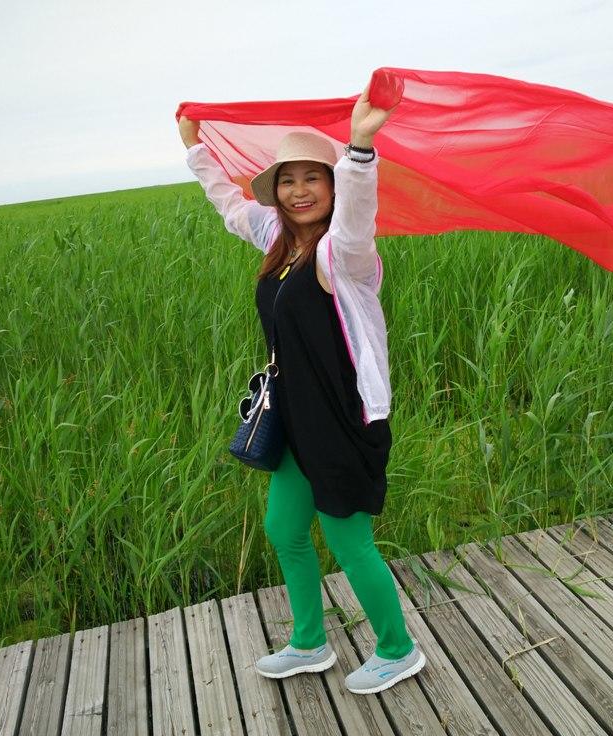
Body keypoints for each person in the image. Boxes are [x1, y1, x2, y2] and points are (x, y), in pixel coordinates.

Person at [177, 79, 426, 695]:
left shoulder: (344, 255)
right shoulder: (280, 243)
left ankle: (398, 650)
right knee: (284, 529)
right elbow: (230, 206)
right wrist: (194, 150)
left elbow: (358, 220)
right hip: (293, 416)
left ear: (333, 186)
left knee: (348, 538)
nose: (299, 190)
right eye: (287, 181)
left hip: (341, 418)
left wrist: (360, 149)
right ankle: (310, 642)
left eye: (313, 178)